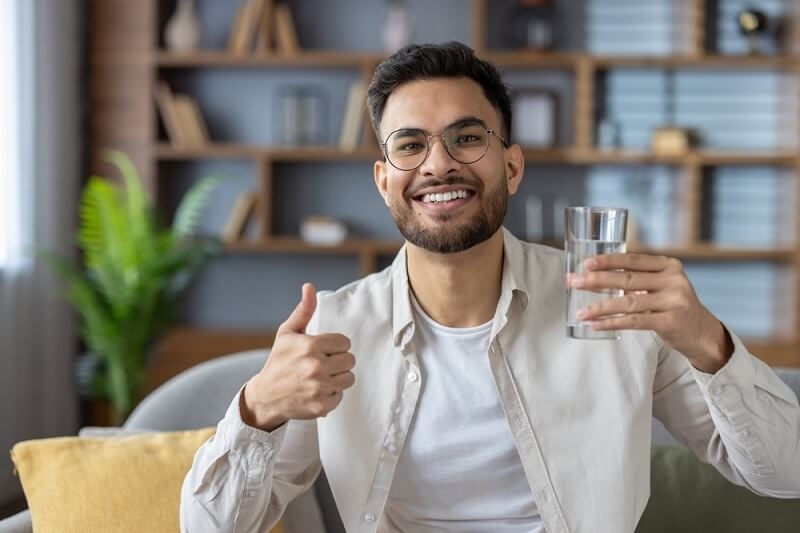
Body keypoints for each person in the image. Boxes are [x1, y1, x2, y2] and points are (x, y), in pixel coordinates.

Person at [180, 41, 800, 533]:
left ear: (511, 165)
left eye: (467, 137)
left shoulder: (608, 306)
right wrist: (258, 409)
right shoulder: (337, 331)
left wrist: (709, 345)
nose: (438, 163)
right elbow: (208, 528)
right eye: (410, 144)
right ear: (383, 179)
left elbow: (785, 474)